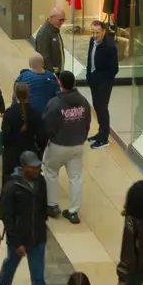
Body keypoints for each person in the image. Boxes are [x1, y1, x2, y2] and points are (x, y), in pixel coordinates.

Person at [0, 151, 50, 285]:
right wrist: (16, 241)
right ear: (23, 167)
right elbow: (5, 215)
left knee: (38, 276)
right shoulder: (12, 187)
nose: (36, 170)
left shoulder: (41, 182)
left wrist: (42, 225)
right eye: (33, 167)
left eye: (38, 167)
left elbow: (43, 206)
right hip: (18, 239)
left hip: (38, 237)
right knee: (11, 264)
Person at [43, 71, 92, 223]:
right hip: (77, 145)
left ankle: (52, 205)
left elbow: (47, 125)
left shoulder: (55, 102)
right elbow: (87, 124)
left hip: (58, 145)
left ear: (59, 82)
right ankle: (73, 212)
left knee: (50, 172)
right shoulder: (84, 101)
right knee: (75, 178)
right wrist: (81, 138)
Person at [0, 81, 46, 179]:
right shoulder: (35, 113)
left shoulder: (9, 113)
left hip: (11, 155)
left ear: (15, 94)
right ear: (28, 94)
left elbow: (5, 136)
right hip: (30, 154)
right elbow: (41, 138)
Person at [86, 20, 120, 149]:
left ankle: (104, 137)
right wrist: (89, 77)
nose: (95, 35)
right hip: (93, 80)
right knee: (96, 107)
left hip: (103, 83)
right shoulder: (92, 41)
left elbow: (114, 69)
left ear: (104, 32)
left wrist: (103, 81)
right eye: (93, 32)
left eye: (97, 33)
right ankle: (100, 132)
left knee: (102, 108)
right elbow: (90, 59)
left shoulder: (110, 47)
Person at [34, 8, 67, 79]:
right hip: (50, 75)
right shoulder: (44, 33)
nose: (62, 22)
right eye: (60, 20)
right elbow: (44, 57)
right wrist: (53, 73)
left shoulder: (55, 30)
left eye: (63, 20)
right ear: (51, 18)